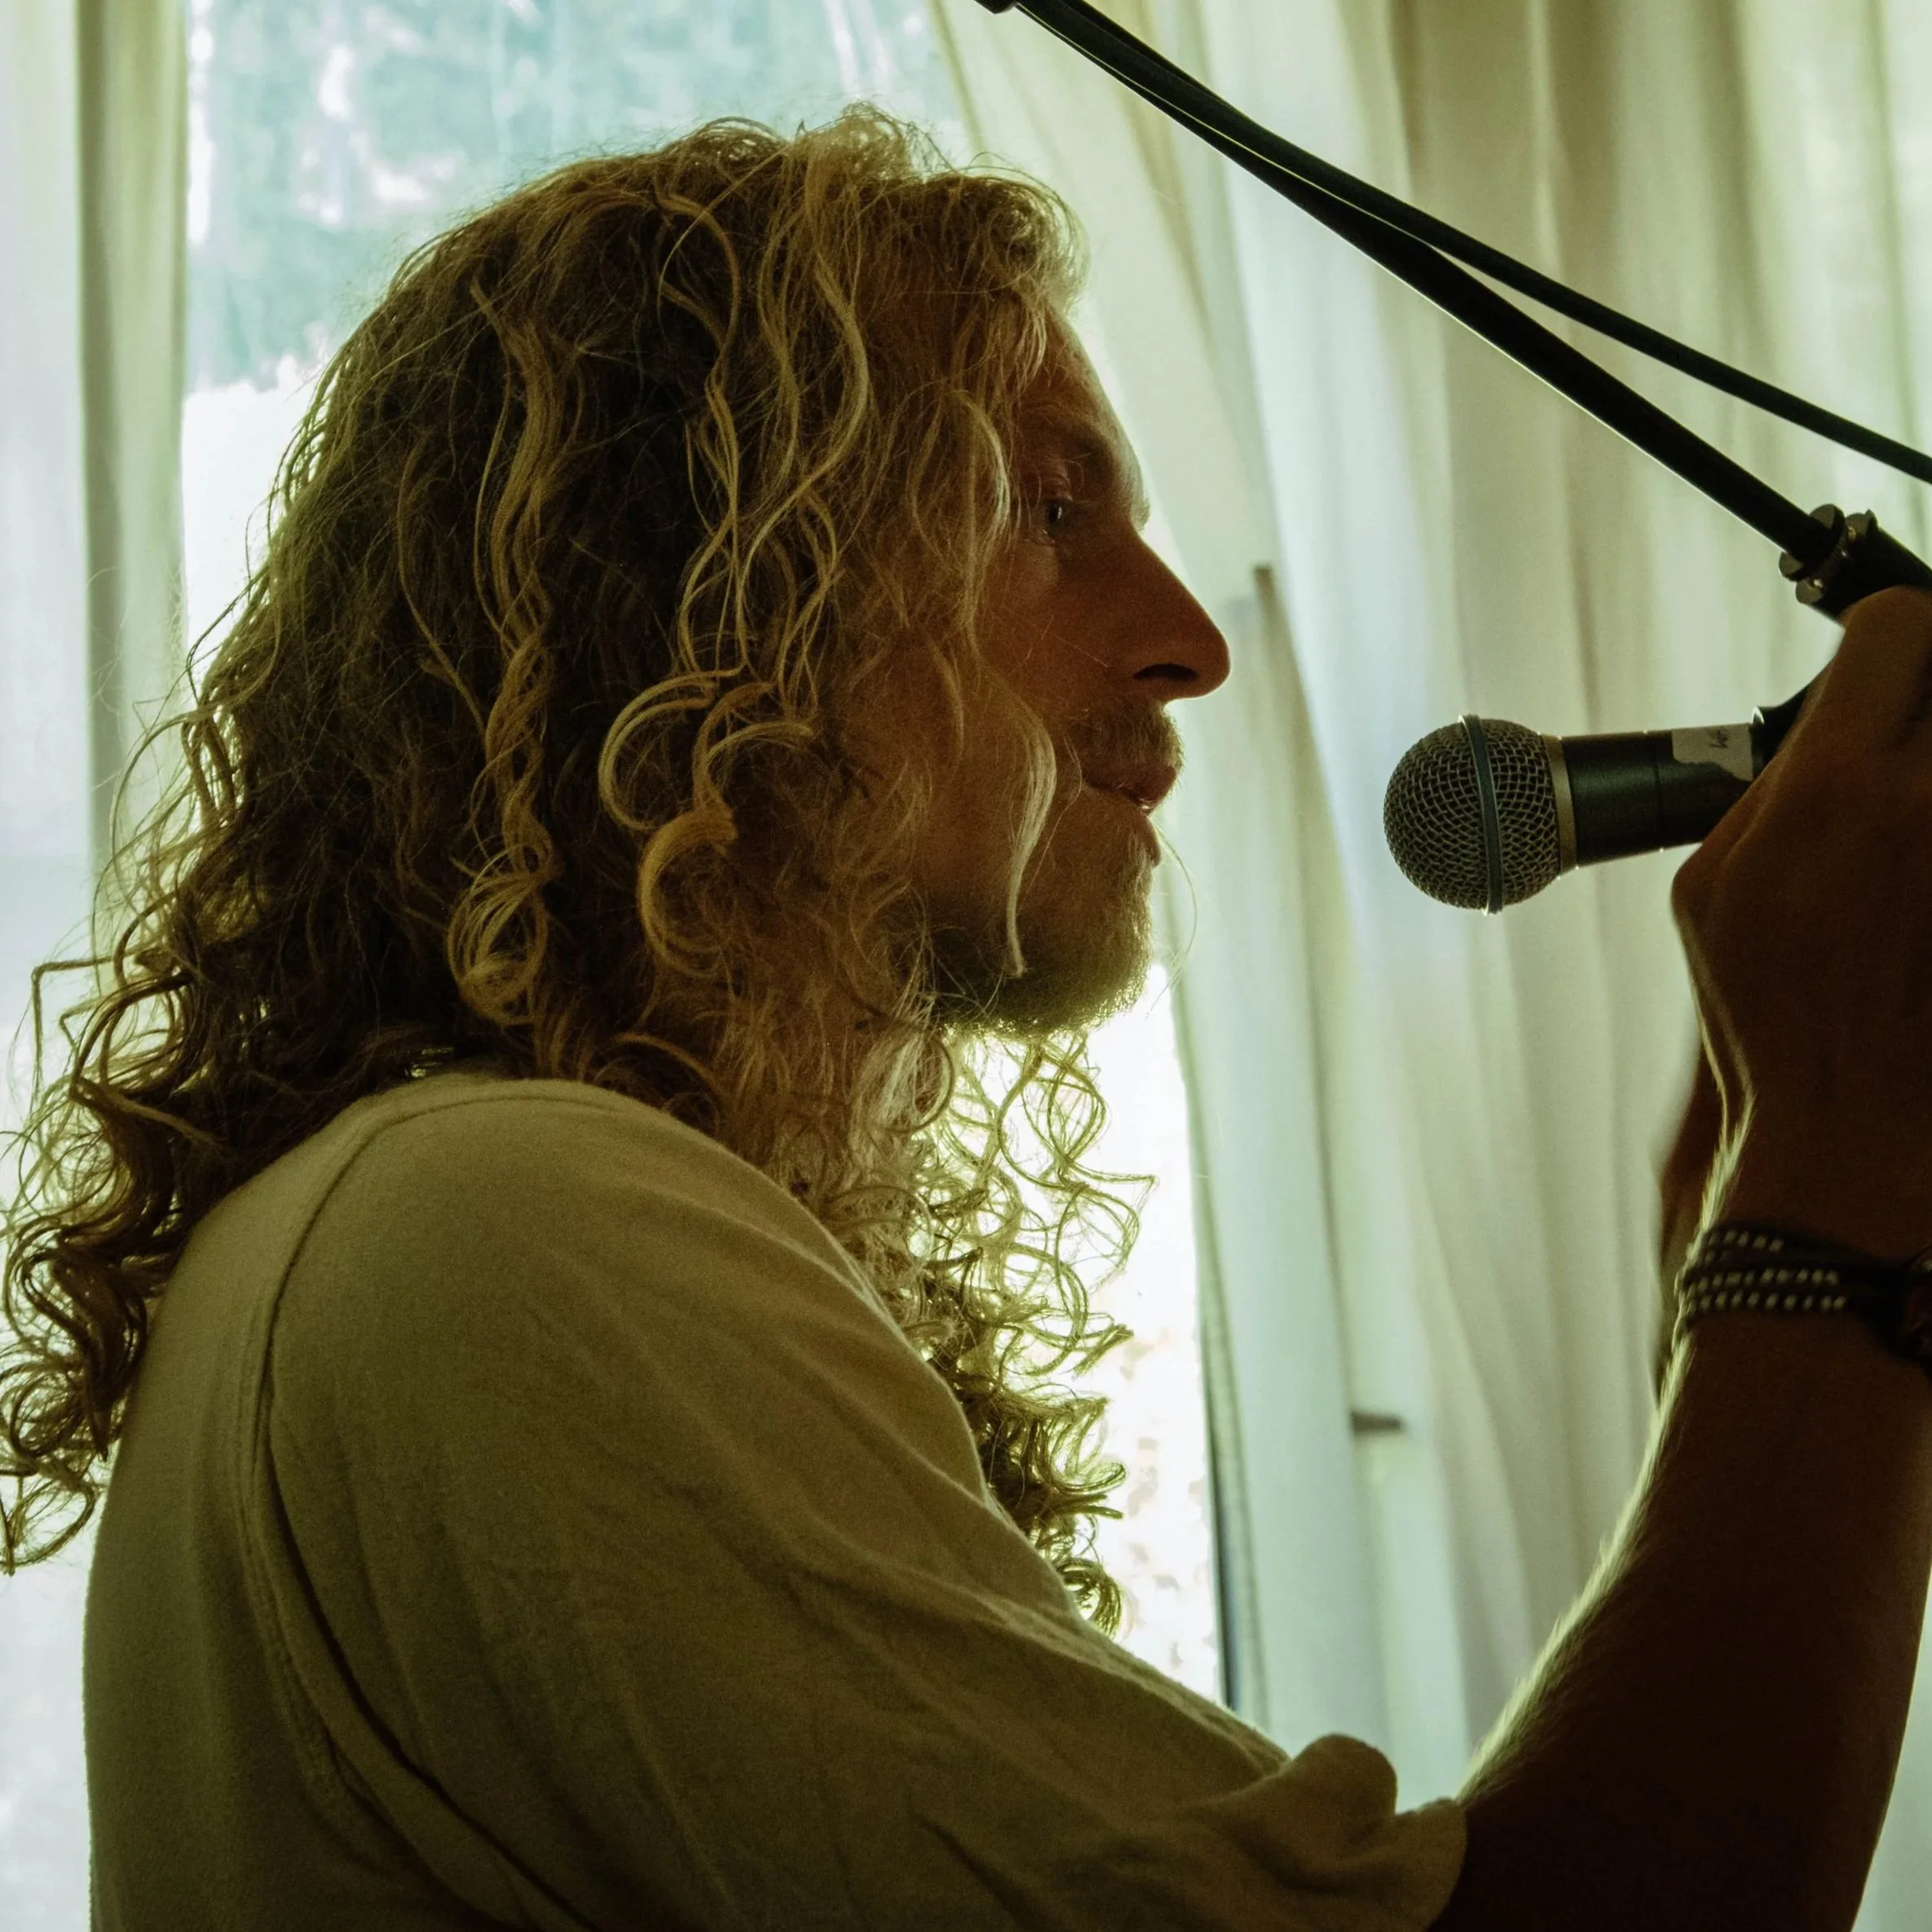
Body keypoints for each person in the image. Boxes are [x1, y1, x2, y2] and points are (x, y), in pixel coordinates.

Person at [1, 109, 1928, 1932]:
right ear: (702, 587)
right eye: (1047, 505)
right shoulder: (495, 1220)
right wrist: (1829, 1195)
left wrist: (1786, 1237)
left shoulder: (430, 1212)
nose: (1189, 637)